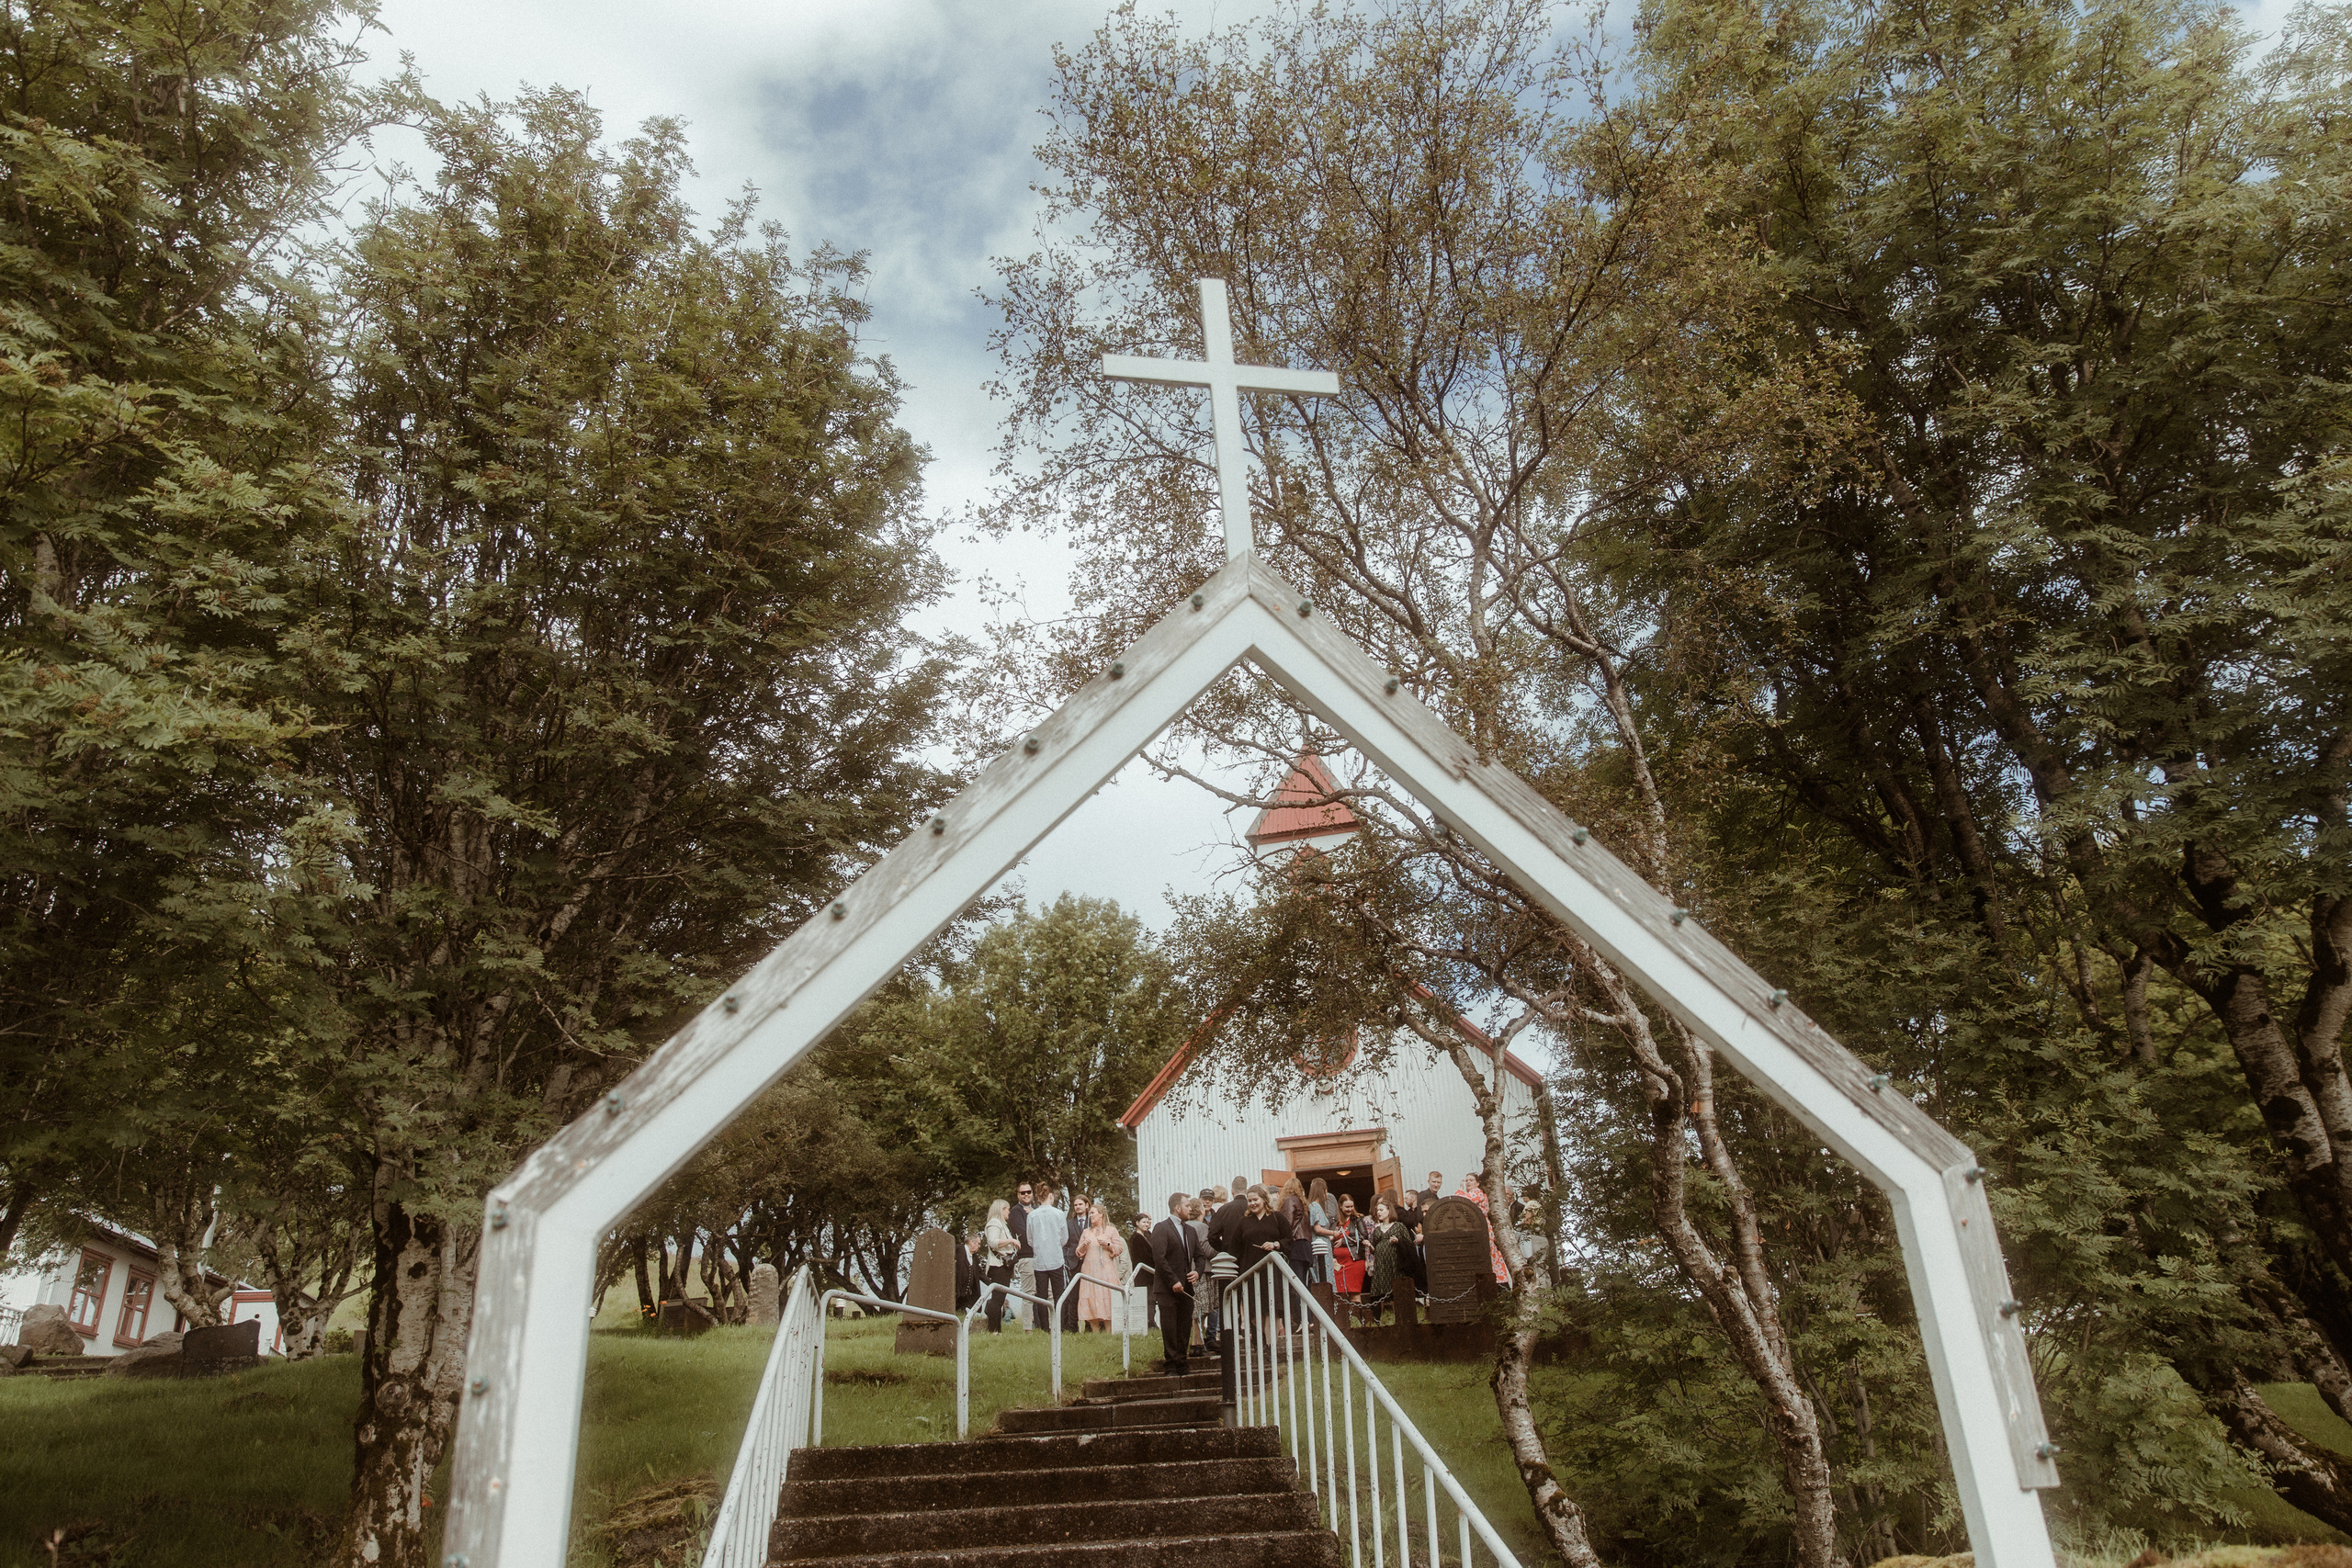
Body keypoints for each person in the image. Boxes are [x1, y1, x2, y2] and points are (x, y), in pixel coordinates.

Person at [1151, 1190, 1208, 1373]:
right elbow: (1159, 1258)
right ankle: (1171, 1364)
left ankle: (1182, 1362)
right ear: (1177, 1208)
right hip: (1167, 1288)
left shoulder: (1190, 1231)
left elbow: (1200, 1256)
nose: (1190, 1208)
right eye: (1187, 1205)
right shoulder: (1161, 1228)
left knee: (1184, 1326)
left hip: (1187, 1288)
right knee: (1169, 1327)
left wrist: (1197, 1272)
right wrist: (1173, 1280)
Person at [1075, 1201, 1125, 1332]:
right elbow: (1078, 1252)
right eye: (1089, 1213)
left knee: (1107, 1297)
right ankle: (1095, 1332)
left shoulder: (1111, 1230)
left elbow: (1119, 1248)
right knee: (1090, 1297)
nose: (1090, 1215)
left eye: (1092, 1213)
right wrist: (1083, 1245)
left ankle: (1109, 1331)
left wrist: (1108, 1244)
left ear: (1101, 1215)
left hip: (1106, 1269)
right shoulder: (1086, 1232)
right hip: (1089, 1269)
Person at [1028, 1182, 1069, 1331]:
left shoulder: (1032, 1215)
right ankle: (1061, 1327)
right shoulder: (1058, 1214)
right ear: (1050, 1196)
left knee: (1042, 1296)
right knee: (1059, 1295)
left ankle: (1045, 1328)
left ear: (1038, 1197)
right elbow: (1064, 1238)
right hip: (1056, 1258)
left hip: (1040, 1260)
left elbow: (1030, 1239)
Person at [980, 1199, 1020, 1332]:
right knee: (997, 1299)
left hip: (1004, 1267)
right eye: (1007, 1209)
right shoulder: (994, 1223)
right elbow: (992, 1242)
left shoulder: (1002, 1224)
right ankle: (994, 1330)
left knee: (1000, 1299)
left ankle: (997, 1330)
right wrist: (1012, 1240)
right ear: (1001, 1210)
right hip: (998, 1266)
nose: (1009, 1212)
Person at [1367, 1196, 1408, 1319]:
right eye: (1377, 1210)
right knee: (1378, 1292)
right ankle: (1380, 1319)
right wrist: (1369, 1246)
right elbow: (1374, 1250)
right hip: (1381, 1266)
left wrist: (1398, 1241)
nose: (1378, 1212)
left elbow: (1408, 1244)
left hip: (1394, 1264)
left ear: (1389, 1211)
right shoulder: (1377, 1230)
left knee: (1396, 1291)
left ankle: (1400, 1317)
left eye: (1381, 1210)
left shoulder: (1399, 1226)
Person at [1009, 1180, 1037, 1332]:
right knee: (1028, 1294)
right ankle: (1027, 1329)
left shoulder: (1036, 1210)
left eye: (1029, 1192)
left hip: (1042, 1257)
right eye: (1023, 1192)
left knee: (1047, 1293)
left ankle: (1049, 1327)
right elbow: (1025, 1235)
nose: (1026, 1195)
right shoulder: (1015, 1212)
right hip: (1027, 1257)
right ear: (1018, 1195)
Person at [1278, 1176, 1315, 1282]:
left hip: (1295, 1245)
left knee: (1295, 1284)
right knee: (1303, 1283)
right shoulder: (1304, 1204)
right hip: (1305, 1246)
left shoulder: (1290, 1200)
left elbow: (1287, 1224)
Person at [1128, 1212, 1159, 1329]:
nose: (1147, 1224)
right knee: (1148, 1299)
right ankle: (1149, 1322)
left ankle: (1151, 1321)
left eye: (1148, 1222)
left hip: (1151, 1272)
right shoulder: (1136, 1238)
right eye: (1144, 1222)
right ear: (1137, 1223)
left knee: (1152, 1299)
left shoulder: (1147, 1236)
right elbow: (1143, 1256)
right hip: (1144, 1273)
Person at [1306, 1177, 1337, 1285]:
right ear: (1323, 1191)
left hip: (1324, 1243)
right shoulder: (1315, 1206)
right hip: (1320, 1246)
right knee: (1323, 1273)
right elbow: (1317, 1228)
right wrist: (1333, 1232)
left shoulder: (1313, 1206)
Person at [956, 1232, 983, 1314]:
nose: (979, 1246)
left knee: (962, 1316)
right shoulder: (958, 1249)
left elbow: (980, 1273)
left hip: (965, 1296)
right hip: (955, 1292)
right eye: (978, 1243)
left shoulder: (975, 1257)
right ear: (971, 1242)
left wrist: (992, 1284)